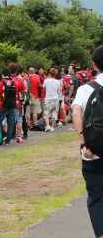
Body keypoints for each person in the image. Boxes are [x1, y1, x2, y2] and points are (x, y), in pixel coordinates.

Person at [72, 44, 103, 238]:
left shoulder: (86, 88)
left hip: (95, 151)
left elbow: (76, 114)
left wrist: (84, 144)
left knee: (97, 197)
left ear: (94, 65)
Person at [0, 67, 18, 146]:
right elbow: (17, 94)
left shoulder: (1, 83)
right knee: (11, 123)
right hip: (11, 106)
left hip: (2, 106)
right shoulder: (15, 83)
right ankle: (8, 140)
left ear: (3, 74)